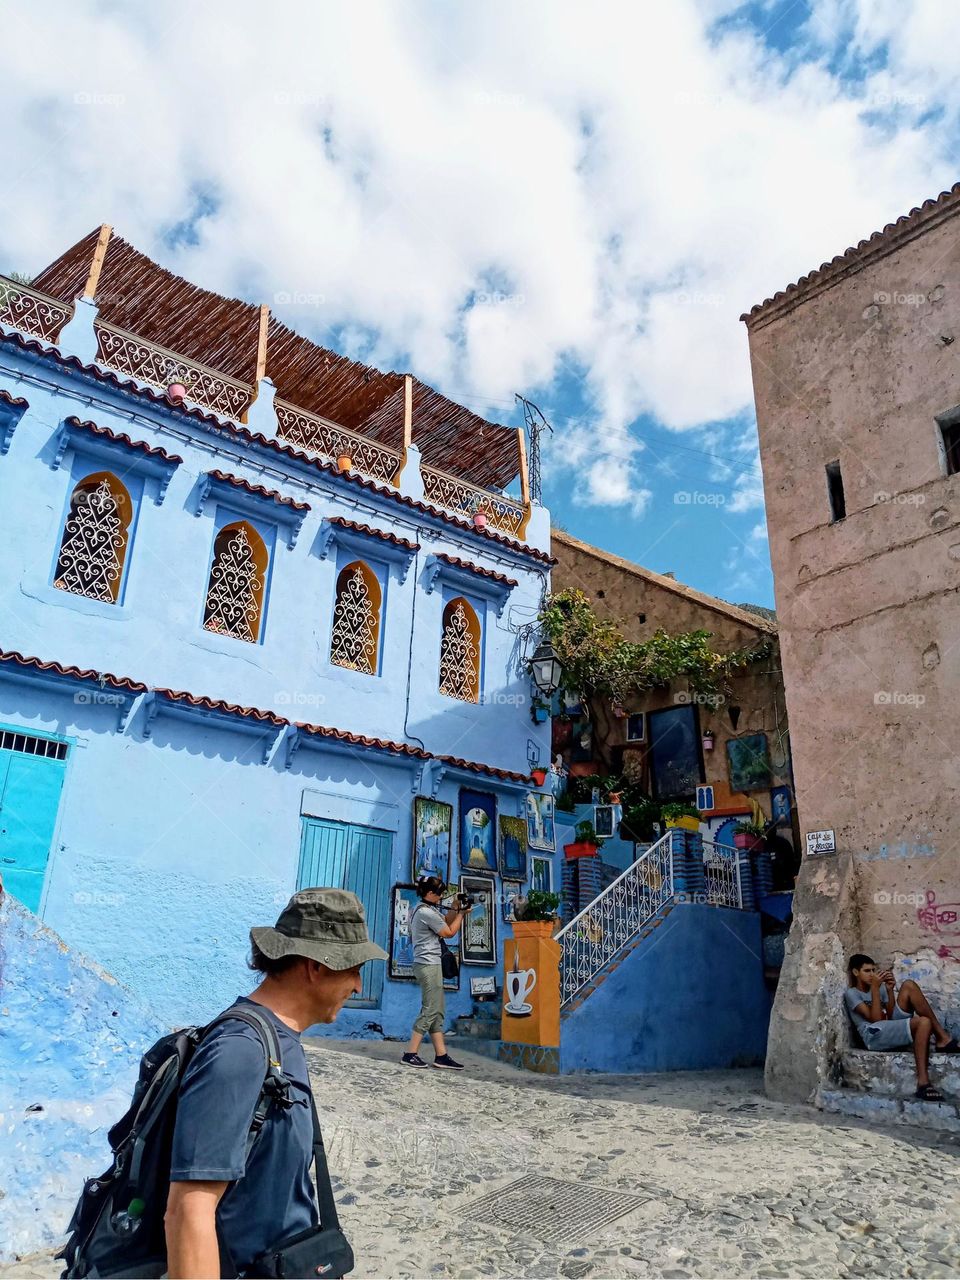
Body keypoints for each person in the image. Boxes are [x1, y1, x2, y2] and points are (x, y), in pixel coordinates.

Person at [165, 888, 387, 1278]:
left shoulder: (281, 1041)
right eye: (354, 969)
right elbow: (188, 1209)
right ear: (315, 966)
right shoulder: (239, 1050)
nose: (357, 986)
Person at [844, 954, 959, 1102]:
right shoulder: (852, 993)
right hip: (873, 1035)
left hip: (888, 1027)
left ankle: (942, 1038)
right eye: (867, 971)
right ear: (855, 973)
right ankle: (923, 1083)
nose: (872, 974)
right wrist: (874, 989)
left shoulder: (879, 989)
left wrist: (890, 990)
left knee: (909, 985)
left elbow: (891, 1016)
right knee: (923, 1023)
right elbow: (876, 1020)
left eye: (874, 970)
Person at [401, 874, 467, 1070]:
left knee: (437, 1012)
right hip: (428, 964)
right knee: (430, 1009)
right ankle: (410, 1053)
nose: (440, 898)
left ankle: (441, 1055)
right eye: (439, 894)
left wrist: (456, 906)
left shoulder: (427, 909)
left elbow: (446, 921)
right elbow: (448, 932)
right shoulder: (425, 912)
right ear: (429, 893)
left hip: (431, 964)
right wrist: (462, 915)